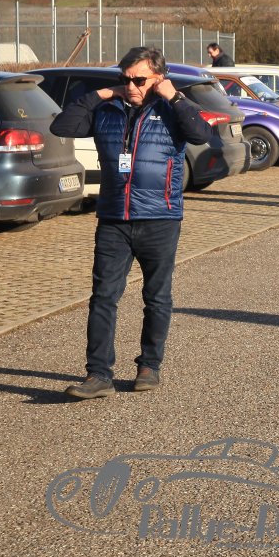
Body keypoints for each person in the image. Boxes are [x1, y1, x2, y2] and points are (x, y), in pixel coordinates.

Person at [51, 47, 215, 399]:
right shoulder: (107, 110)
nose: (131, 86)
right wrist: (102, 93)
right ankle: (98, 375)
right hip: (113, 218)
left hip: (160, 218)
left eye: (139, 80)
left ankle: (149, 366)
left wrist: (174, 97)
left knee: (156, 297)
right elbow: (61, 126)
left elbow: (201, 134)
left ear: (158, 78)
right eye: (124, 79)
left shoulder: (172, 110)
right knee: (103, 297)